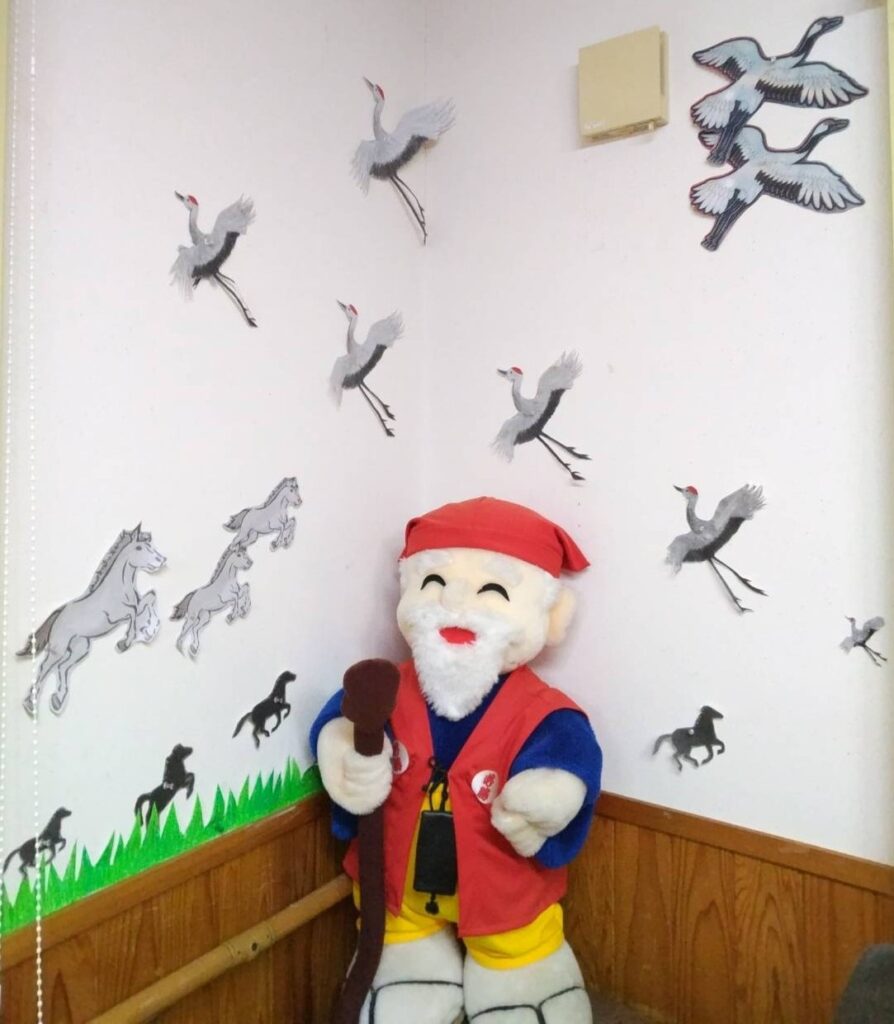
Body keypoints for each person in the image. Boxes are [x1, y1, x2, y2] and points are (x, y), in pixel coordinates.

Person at [310, 496, 602, 1023]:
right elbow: (342, 722)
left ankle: (518, 976)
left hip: (505, 896)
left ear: (552, 617)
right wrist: (343, 755)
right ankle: (413, 969)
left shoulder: (543, 711)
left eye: (493, 591)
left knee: (519, 961)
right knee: (400, 976)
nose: (455, 605)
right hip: (397, 897)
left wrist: (549, 795)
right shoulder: (385, 686)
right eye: (433, 583)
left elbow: (569, 758)